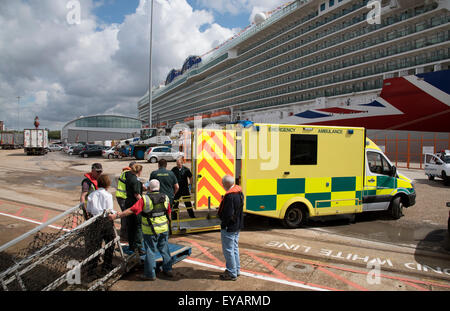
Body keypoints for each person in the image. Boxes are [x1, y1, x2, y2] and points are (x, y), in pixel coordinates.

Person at [109, 179, 173, 281]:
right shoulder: (165, 197)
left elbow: (131, 210)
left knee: (151, 251)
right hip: (163, 228)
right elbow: (168, 212)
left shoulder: (145, 199)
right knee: (164, 249)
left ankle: (150, 274)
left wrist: (116, 216)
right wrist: (170, 226)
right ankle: (168, 269)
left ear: (149, 188)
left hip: (150, 231)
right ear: (159, 187)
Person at [85, 174, 116, 277]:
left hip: (95, 221)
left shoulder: (91, 195)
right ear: (107, 183)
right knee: (110, 243)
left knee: (95, 246)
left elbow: (88, 210)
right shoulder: (108, 195)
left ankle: (92, 270)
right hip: (105, 221)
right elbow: (109, 210)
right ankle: (106, 266)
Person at [218, 175, 244, 281]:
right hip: (237, 225)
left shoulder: (229, 196)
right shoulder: (239, 192)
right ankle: (236, 270)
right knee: (234, 248)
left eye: (223, 184)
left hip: (230, 227)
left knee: (228, 250)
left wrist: (224, 223)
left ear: (226, 184)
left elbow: (227, 214)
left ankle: (232, 272)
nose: (222, 185)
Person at [124, 164, 144, 255]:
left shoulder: (128, 177)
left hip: (128, 203)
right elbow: (137, 194)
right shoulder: (135, 180)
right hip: (135, 205)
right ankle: (139, 247)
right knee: (138, 226)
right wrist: (143, 203)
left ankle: (131, 245)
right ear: (139, 171)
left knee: (130, 226)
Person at [115, 161, 136, 239]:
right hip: (122, 197)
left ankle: (124, 232)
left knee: (125, 214)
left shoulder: (125, 173)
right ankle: (124, 234)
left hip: (121, 196)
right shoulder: (128, 173)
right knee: (125, 215)